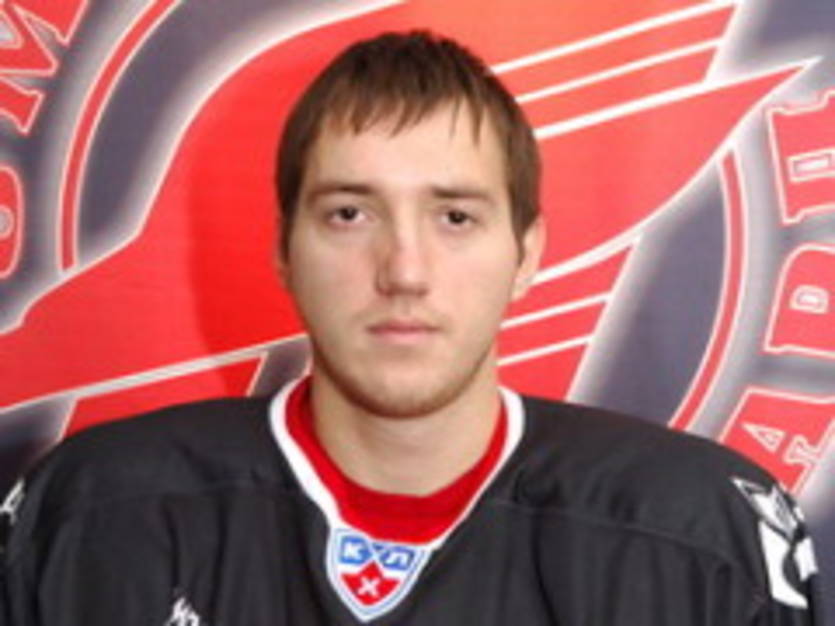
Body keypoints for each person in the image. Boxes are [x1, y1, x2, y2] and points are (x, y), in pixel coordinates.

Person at [0, 31, 822, 625]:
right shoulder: (93, 516)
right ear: (284, 250)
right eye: (349, 214)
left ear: (526, 253)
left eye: (455, 217)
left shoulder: (696, 536)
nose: (403, 270)